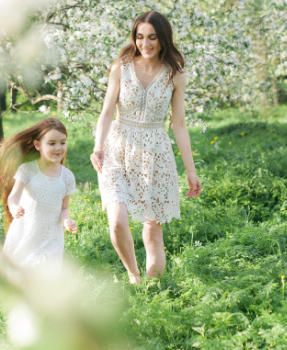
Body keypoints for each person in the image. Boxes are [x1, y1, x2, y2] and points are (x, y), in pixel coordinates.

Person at [90, 11, 202, 284]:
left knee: (153, 231)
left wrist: (191, 171)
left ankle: (153, 292)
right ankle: (133, 275)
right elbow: (106, 113)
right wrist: (98, 146)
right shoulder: (121, 68)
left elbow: (179, 125)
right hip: (117, 149)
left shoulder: (175, 75)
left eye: (152, 37)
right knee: (117, 220)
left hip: (155, 153)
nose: (145, 44)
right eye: (140, 37)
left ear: (164, 39)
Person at [0, 117, 77, 272]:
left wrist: (67, 222)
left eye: (62, 142)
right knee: (21, 270)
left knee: (44, 272)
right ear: (38, 145)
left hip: (51, 235)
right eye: (52, 143)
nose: (58, 147)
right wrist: (13, 207)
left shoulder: (67, 177)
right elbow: (14, 196)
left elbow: (64, 209)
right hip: (27, 230)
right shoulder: (27, 170)